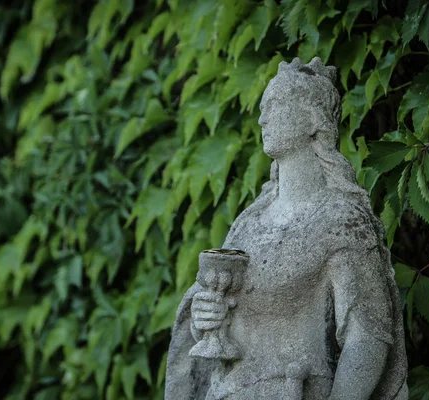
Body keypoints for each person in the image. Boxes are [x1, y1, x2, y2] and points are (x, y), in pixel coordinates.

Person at [165, 57, 408, 400]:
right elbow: (217, 321)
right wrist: (205, 317)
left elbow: (368, 336)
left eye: (275, 105)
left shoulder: (342, 220)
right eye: (263, 107)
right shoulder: (250, 221)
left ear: (313, 119)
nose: (263, 118)